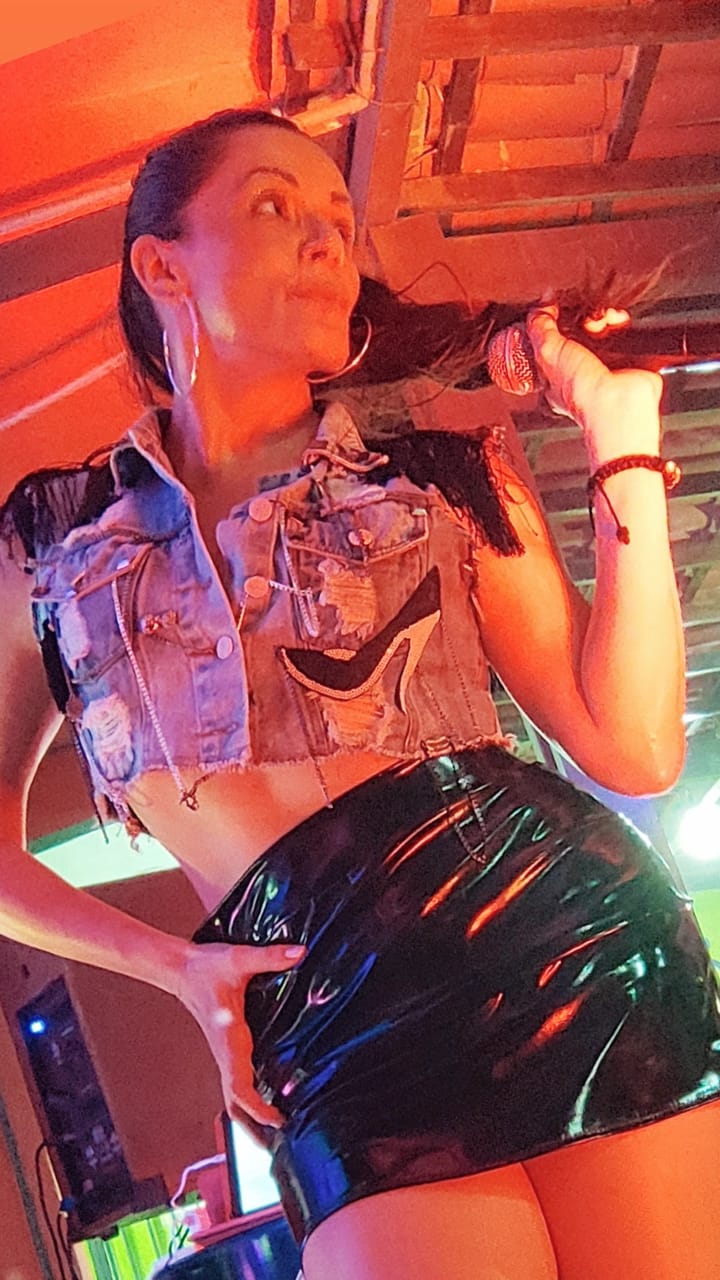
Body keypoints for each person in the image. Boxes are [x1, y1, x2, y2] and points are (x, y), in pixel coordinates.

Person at [1, 107, 719, 1280]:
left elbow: (632, 748)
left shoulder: (440, 472)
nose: (327, 239)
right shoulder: (52, 538)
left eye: (339, 218)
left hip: (572, 940)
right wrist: (172, 965)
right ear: (161, 266)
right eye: (273, 206)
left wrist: (620, 437)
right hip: (328, 1015)